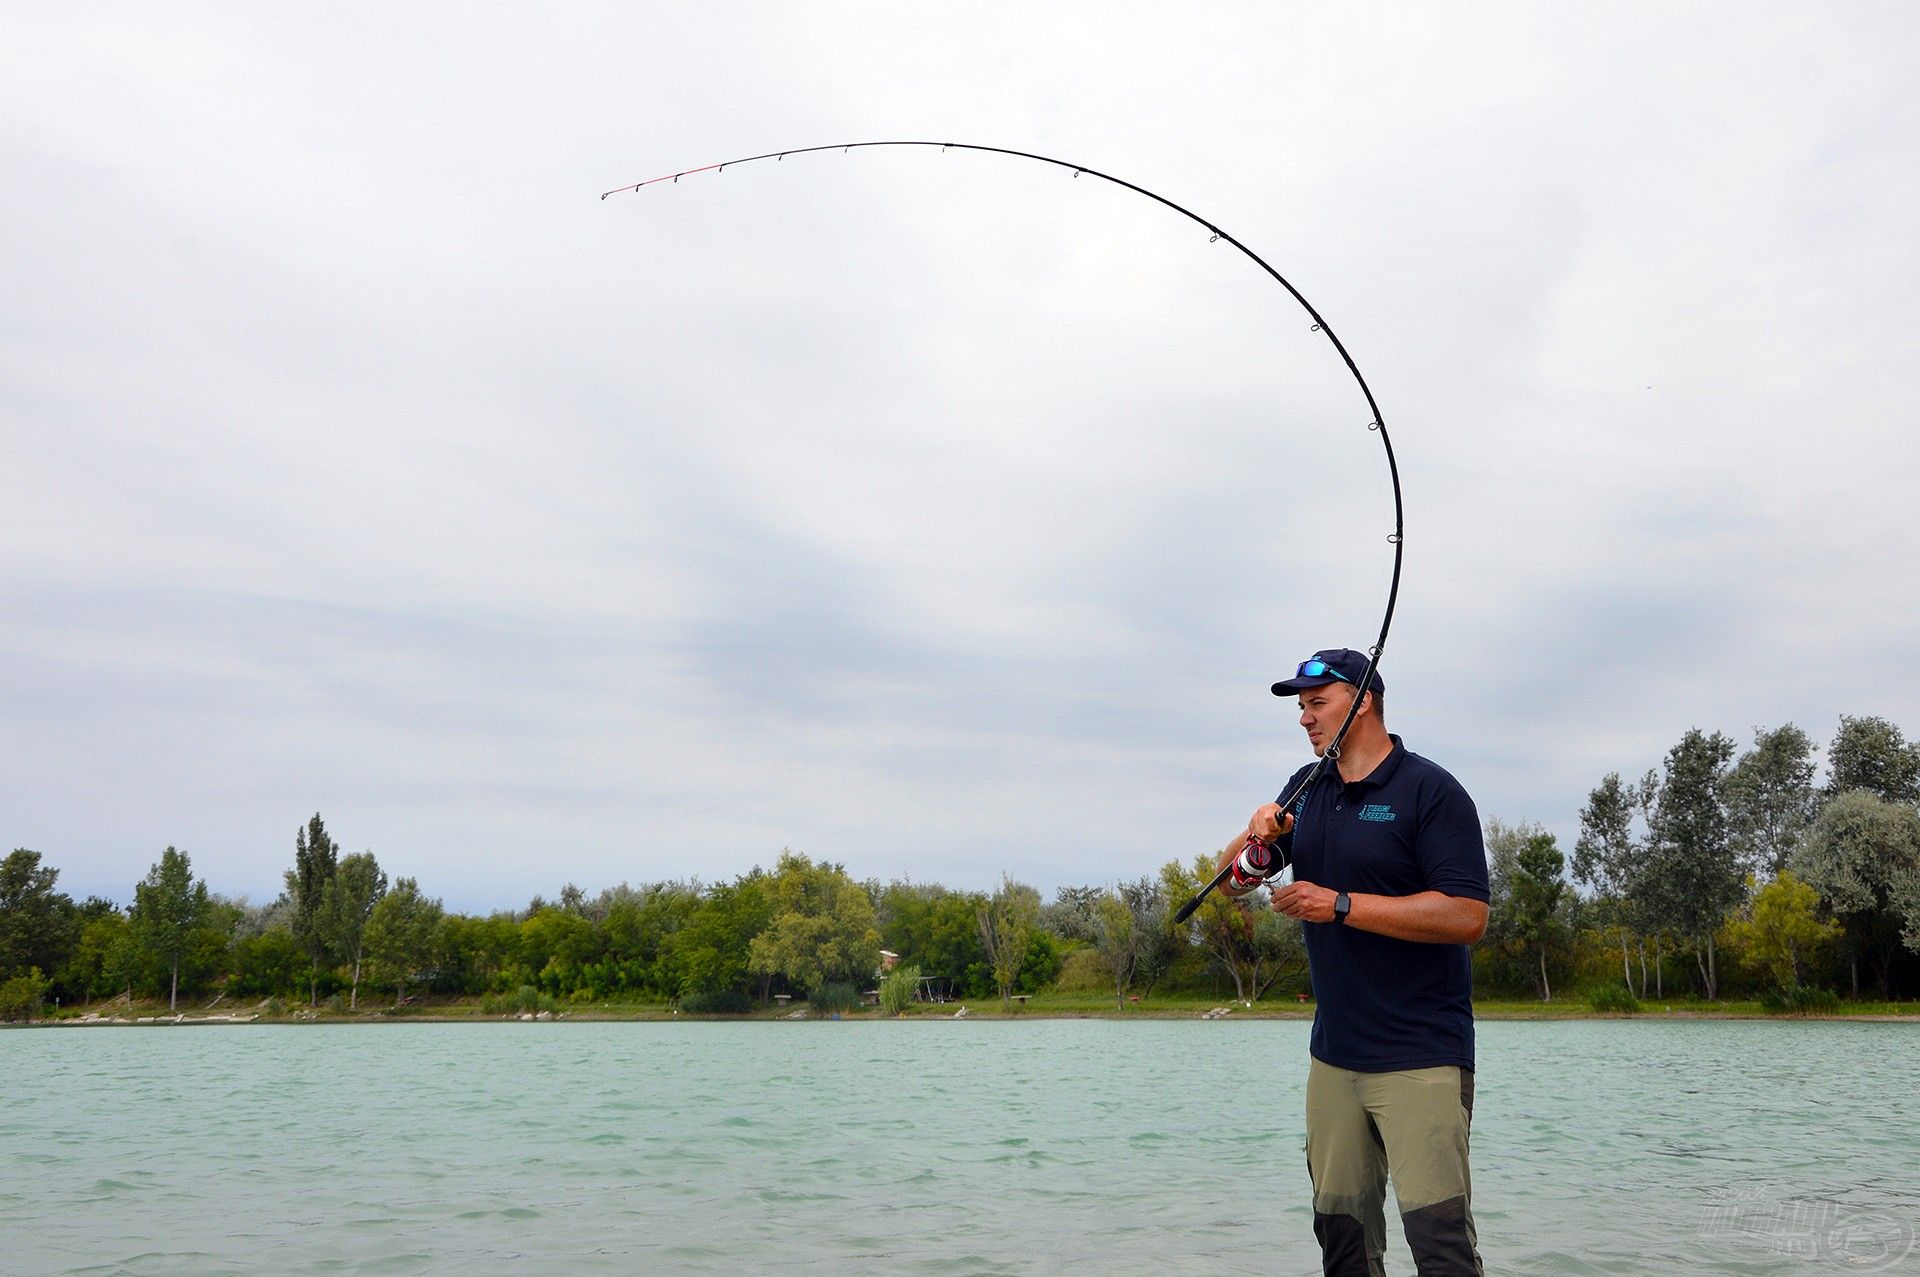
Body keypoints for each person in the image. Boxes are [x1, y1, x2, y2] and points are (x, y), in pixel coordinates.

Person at [1214, 648, 1489, 1277]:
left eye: (1317, 703)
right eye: (1301, 708)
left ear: (1362, 699)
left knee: (1440, 1246)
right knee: (1340, 1240)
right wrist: (1255, 837)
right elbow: (1226, 883)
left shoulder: (1432, 791)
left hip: (1422, 1056)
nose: (1305, 720)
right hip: (1333, 1060)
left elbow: (1466, 916)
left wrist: (1338, 903)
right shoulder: (1305, 790)